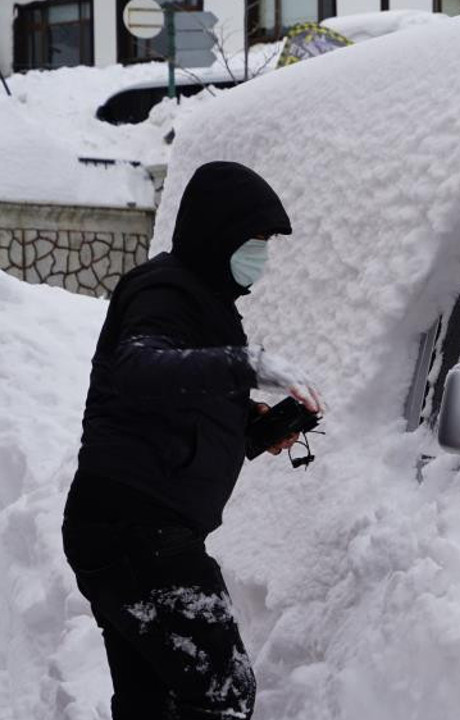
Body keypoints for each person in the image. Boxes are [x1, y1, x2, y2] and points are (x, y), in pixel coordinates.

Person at [62, 161, 321, 720]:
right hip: (137, 532)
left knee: (151, 702)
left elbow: (179, 409)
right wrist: (245, 364)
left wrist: (254, 427)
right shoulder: (165, 292)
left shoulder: (205, 303)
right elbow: (138, 365)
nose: (262, 256)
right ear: (218, 235)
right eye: (254, 242)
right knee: (221, 691)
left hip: (124, 532)